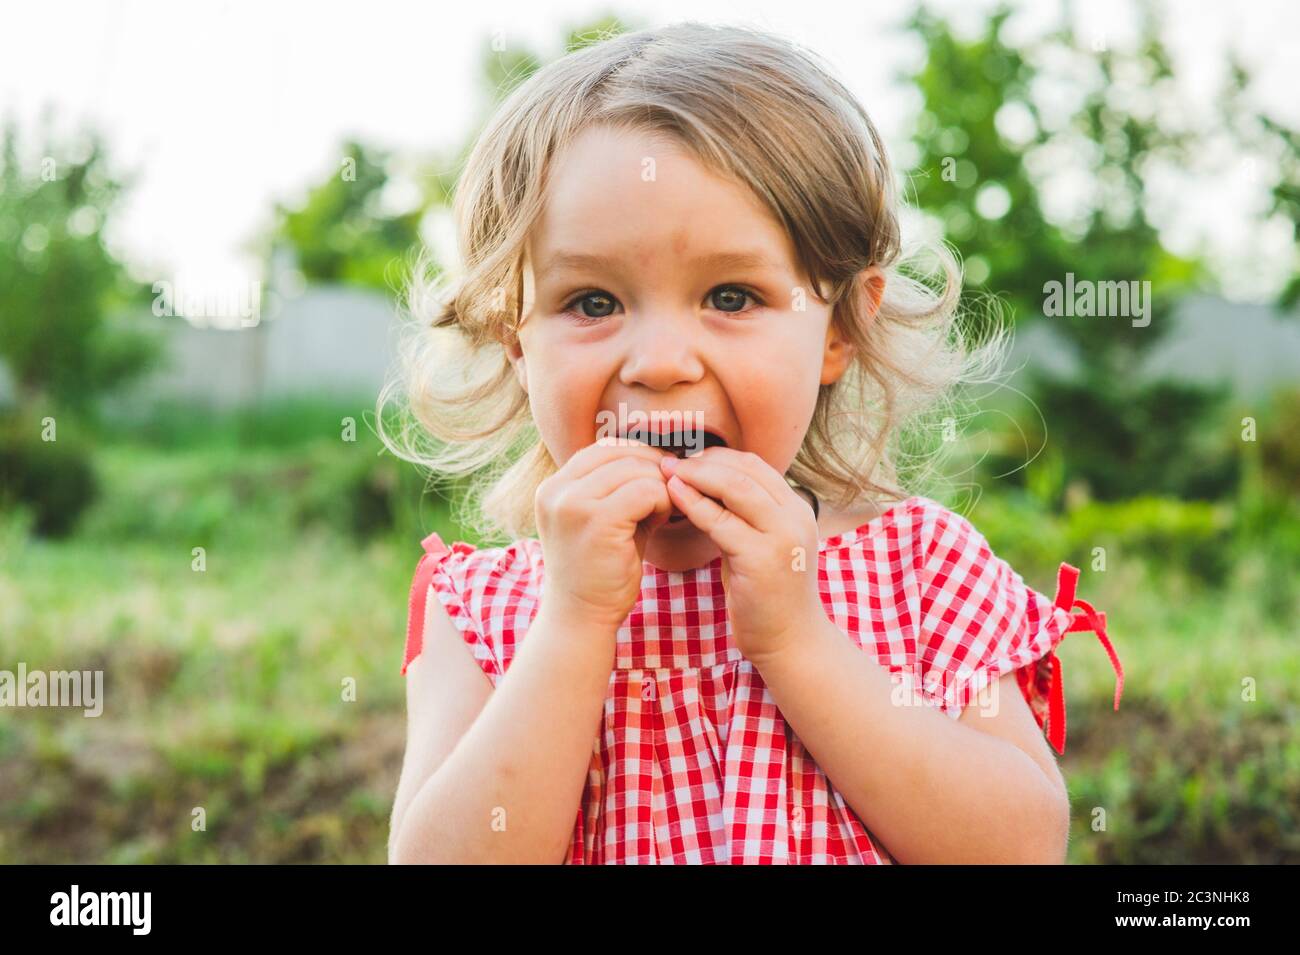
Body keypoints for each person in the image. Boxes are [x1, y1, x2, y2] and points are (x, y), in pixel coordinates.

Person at [383, 21, 1124, 864]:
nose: (660, 363)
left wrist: (797, 639)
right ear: (514, 337)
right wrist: (574, 623)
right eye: (591, 303)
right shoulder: (484, 612)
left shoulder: (919, 571)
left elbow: (1019, 848)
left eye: (731, 296)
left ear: (842, 326)